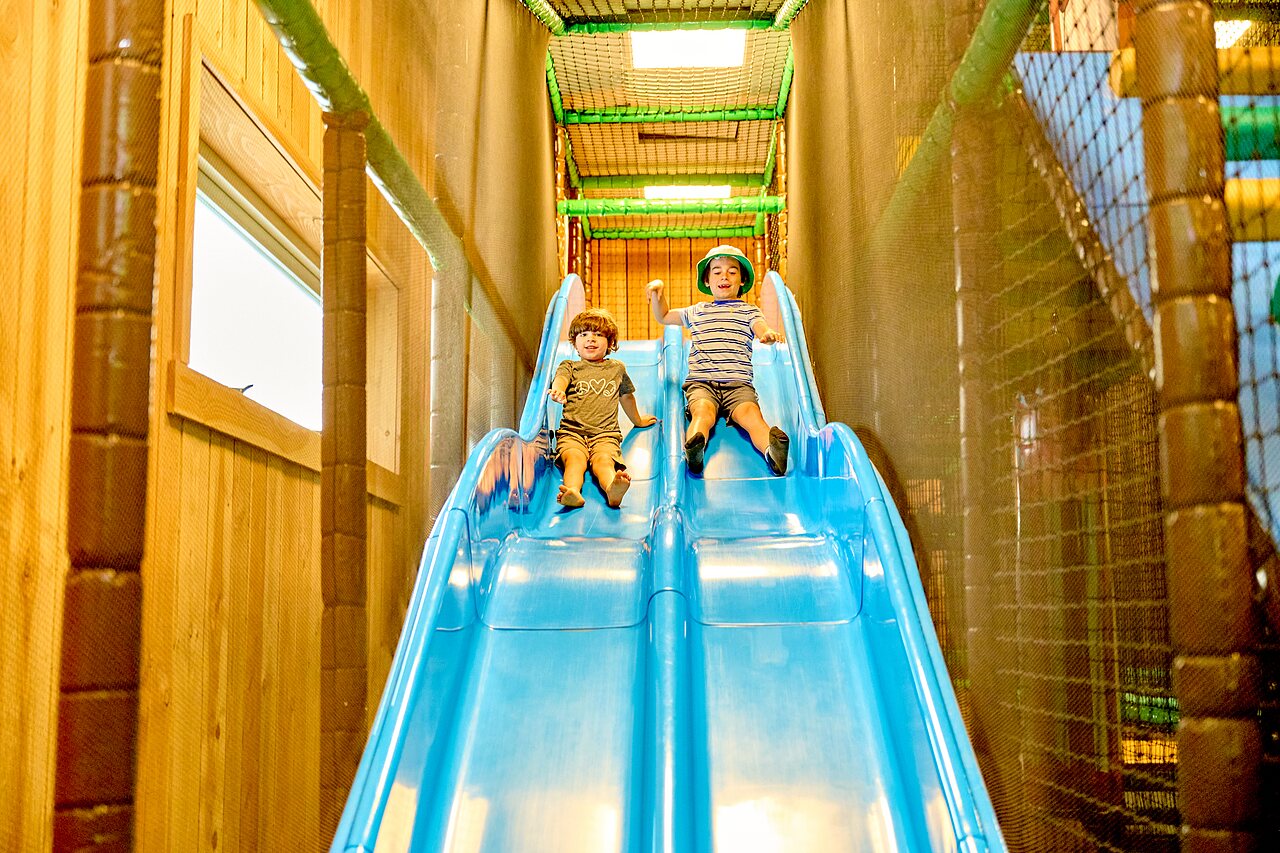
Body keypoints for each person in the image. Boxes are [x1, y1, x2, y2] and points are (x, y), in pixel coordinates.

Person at [646, 244, 789, 476]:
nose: (724, 276)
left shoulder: (749, 311)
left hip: (738, 384)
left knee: (752, 416)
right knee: (703, 412)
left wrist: (767, 334)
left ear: (742, 280)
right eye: (717, 271)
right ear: (707, 280)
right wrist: (657, 294)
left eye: (732, 272)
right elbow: (663, 316)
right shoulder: (697, 311)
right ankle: (695, 448)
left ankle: (773, 452)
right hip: (703, 383)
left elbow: (760, 327)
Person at [549, 308, 658, 508]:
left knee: (604, 462)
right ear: (575, 342)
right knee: (574, 460)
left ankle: (612, 489)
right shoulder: (570, 366)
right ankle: (572, 491)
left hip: (605, 434)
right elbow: (561, 379)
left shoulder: (616, 369)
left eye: (598, 335)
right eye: (584, 335)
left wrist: (638, 421)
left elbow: (626, 396)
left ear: (610, 343)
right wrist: (558, 390)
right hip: (572, 432)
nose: (591, 339)